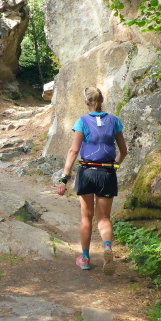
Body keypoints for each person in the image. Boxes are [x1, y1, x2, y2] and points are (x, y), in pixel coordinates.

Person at [56, 87, 127, 274]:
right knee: (103, 218)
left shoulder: (82, 121)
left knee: (86, 217)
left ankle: (85, 258)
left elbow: (73, 150)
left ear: (86, 102)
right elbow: (123, 151)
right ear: (101, 100)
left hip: (87, 172)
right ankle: (107, 247)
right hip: (107, 173)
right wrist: (114, 166)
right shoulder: (114, 121)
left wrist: (64, 177)